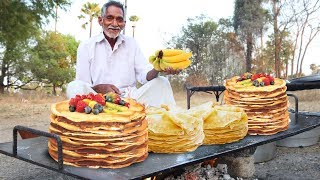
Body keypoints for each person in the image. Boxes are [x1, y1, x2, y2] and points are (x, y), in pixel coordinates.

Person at [66, 0, 180, 107]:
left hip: (130, 99)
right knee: (74, 86)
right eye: (110, 18)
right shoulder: (86, 46)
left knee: (162, 82)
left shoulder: (132, 43)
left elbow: (144, 76)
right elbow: (83, 84)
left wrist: (158, 68)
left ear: (124, 23)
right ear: (101, 20)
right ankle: (88, 122)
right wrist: (100, 88)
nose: (115, 24)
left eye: (119, 19)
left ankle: (166, 123)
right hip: (98, 100)